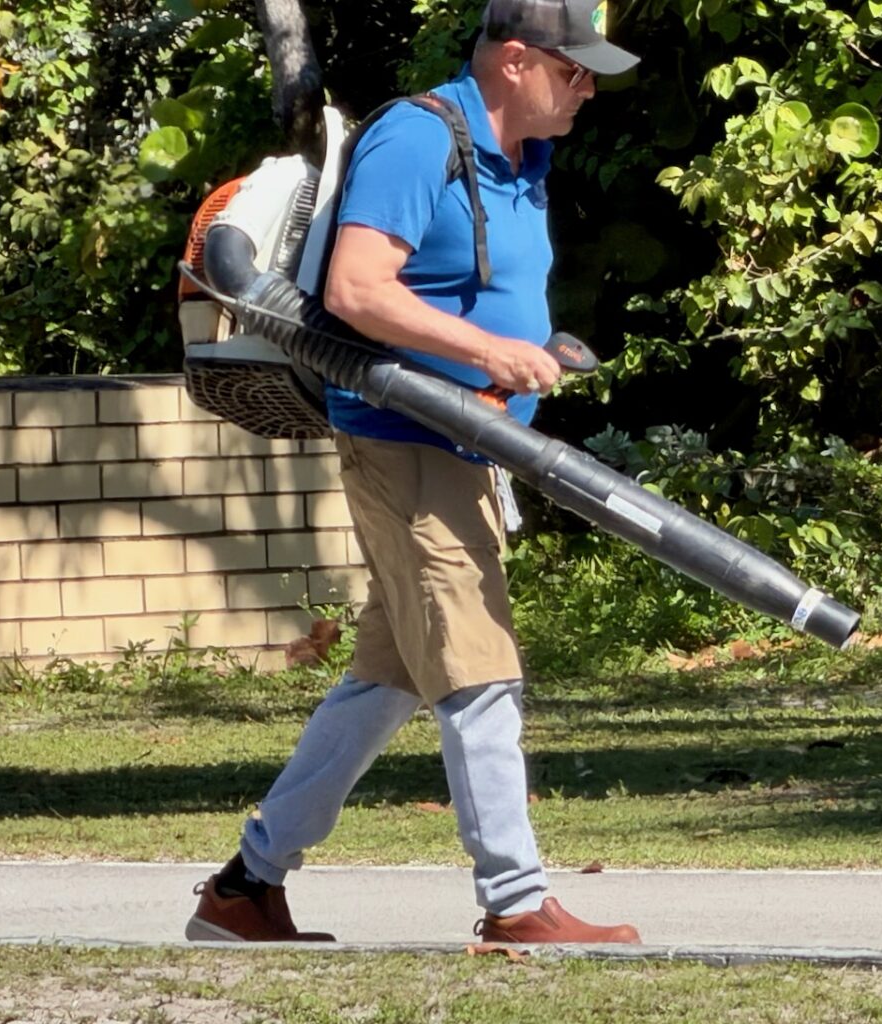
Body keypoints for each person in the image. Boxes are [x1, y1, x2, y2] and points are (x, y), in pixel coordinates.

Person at [185, 0, 643, 945]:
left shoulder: (520, 157)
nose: (587, 88)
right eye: (574, 70)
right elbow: (358, 289)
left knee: (387, 681)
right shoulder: (416, 138)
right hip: (408, 438)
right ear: (516, 61)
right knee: (478, 666)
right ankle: (516, 901)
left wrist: (523, 353)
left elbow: (466, 285)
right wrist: (485, 349)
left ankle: (246, 886)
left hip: (470, 444)